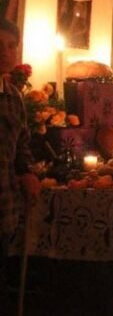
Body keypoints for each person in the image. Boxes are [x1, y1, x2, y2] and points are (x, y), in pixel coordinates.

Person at [0, 18, 35, 300]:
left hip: (5, 207)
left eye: (11, 46)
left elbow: (22, 145)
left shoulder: (14, 97)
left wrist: (28, 172)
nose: (5, 52)